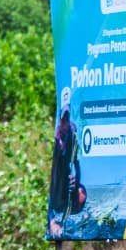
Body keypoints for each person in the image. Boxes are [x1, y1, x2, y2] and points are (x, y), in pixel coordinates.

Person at [48, 87, 86, 239]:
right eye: (63, 118)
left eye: (67, 117)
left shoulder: (72, 132)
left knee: (80, 193)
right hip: (58, 190)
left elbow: (76, 163)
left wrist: (75, 183)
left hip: (65, 190)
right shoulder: (56, 145)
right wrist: (52, 221)